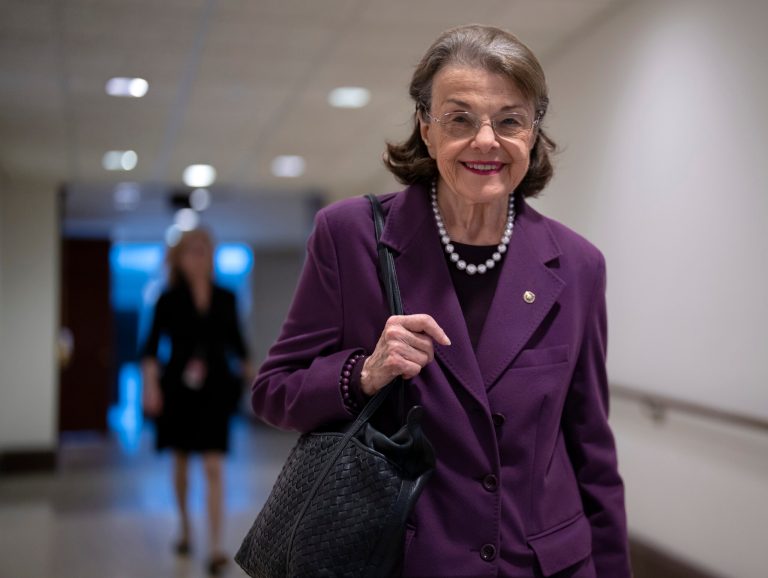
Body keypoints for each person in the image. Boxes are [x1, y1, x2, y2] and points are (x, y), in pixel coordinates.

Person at [251, 24, 631, 577]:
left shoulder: (577, 265)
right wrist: (365, 372)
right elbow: (273, 392)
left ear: (532, 134)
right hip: (406, 561)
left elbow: (591, 446)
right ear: (426, 129)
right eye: (459, 118)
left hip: (542, 565)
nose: (485, 141)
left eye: (509, 120)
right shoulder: (351, 235)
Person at [141, 227, 251, 576]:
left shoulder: (226, 297)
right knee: (182, 463)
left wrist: (257, 381)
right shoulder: (167, 298)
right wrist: (150, 388)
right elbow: (149, 349)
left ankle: (216, 545)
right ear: (179, 257)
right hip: (178, 390)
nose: (199, 256)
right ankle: (186, 527)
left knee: (214, 466)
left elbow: (239, 344)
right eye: (191, 250)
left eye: (204, 249)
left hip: (216, 389)